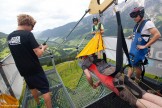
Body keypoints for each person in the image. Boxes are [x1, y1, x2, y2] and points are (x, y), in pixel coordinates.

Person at [79, 55, 162, 108]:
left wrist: (92, 84)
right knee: (142, 93)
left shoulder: (84, 64)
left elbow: (89, 76)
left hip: (113, 82)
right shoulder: (96, 57)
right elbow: (105, 72)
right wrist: (99, 82)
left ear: (82, 57)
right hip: (120, 75)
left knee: (134, 100)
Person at [7, 14, 52, 108]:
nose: (32, 29)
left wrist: (37, 46)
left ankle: (39, 104)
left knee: (32, 87)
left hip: (22, 69)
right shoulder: (27, 34)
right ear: (27, 24)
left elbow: (22, 48)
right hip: (34, 68)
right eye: (32, 26)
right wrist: (43, 48)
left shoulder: (10, 37)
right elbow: (38, 54)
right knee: (45, 90)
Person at [127, 7, 161, 80]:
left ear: (141, 14)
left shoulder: (147, 23)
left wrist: (145, 46)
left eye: (135, 16)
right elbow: (139, 34)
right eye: (133, 17)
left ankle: (137, 80)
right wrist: (131, 36)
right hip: (134, 48)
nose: (134, 18)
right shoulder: (137, 25)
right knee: (131, 63)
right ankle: (127, 79)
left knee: (137, 66)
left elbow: (157, 35)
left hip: (140, 50)